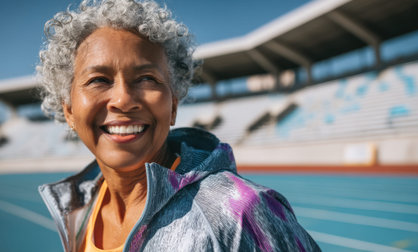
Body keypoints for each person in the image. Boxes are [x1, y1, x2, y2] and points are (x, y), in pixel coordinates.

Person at [37, 0, 321, 251]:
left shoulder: (240, 212)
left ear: (173, 105)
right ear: (70, 111)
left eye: (147, 78)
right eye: (98, 80)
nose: (123, 99)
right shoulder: (79, 207)